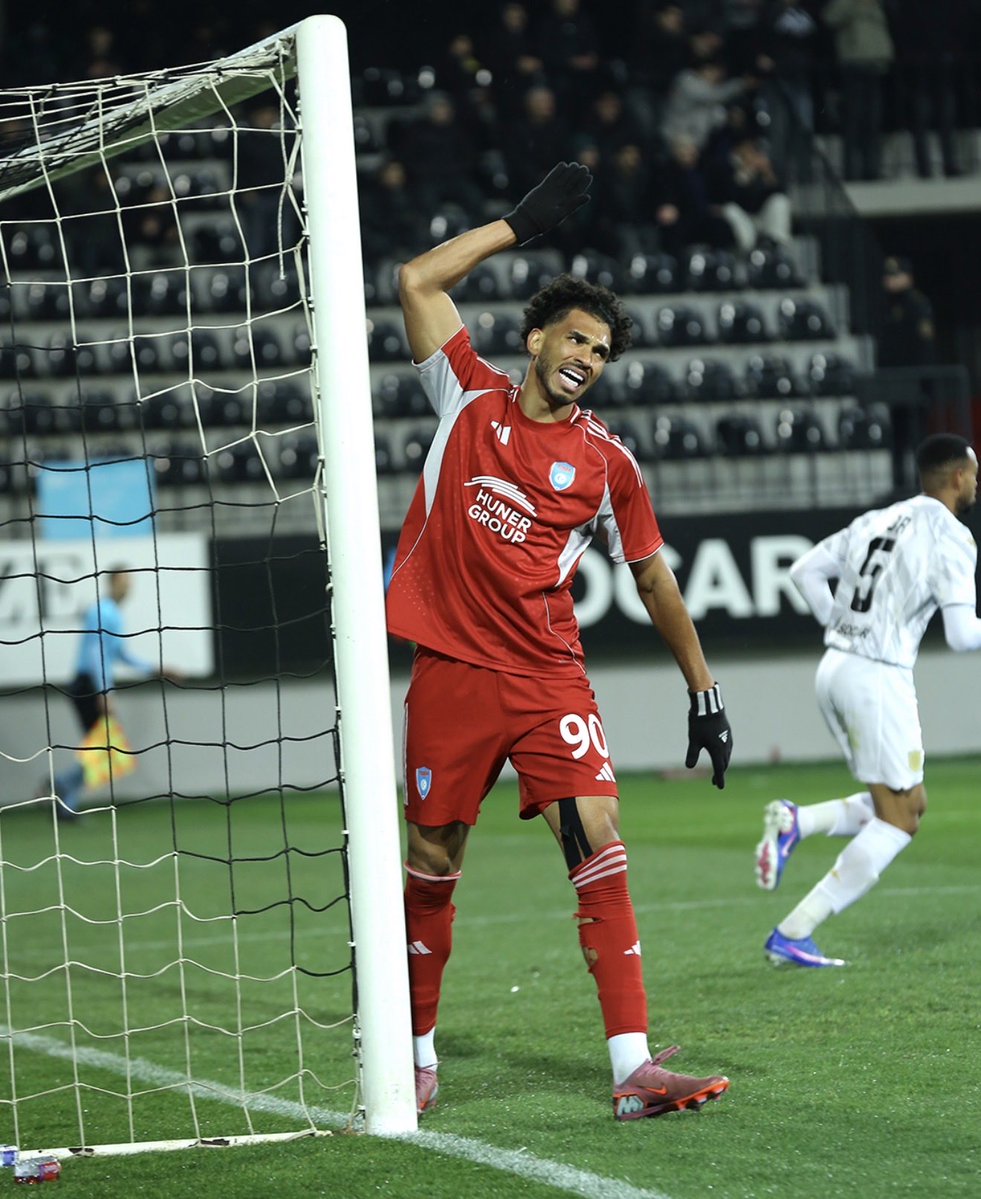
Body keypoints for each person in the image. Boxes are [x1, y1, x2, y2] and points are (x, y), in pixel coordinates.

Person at [386, 162, 735, 1121]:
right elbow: (418, 281)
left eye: (603, 350)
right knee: (432, 859)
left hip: (547, 677)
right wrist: (511, 224)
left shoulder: (606, 463)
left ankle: (631, 1067)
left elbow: (654, 577)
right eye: (576, 338)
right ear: (535, 337)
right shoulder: (464, 396)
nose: (588, 356)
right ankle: (414, 1053)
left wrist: (702, 690)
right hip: (452, 670)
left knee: (598, 837)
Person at [755, 433, 981, 967]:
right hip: (877, 679)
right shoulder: (951, 535)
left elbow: (804, 571)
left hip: (835, 669)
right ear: (956, 478)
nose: (976, 482)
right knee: (899, 820)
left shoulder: (877, 519)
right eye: (974, 473)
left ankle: (797, 824)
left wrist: (842, 630)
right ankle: (794, 930)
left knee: (909, 804)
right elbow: (962, 634)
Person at [50, 569, 177, 819]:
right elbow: (95, 653)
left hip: (90, 685)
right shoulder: (103, 612)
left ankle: (66, 799)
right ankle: (64, 787)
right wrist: (104, 692)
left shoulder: (112, 614)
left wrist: (155, 669)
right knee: (103, 746)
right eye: (123, 582)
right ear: (112, 582)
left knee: (101, 747)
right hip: (88, 686)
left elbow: (119, 654)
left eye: (130, 583)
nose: (127, 587)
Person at [877, 255, 937, 492]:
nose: (891, 281)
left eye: (896, 275)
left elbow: (924, 347)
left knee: (917, 437)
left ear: (908, 278)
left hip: (914, 383)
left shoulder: (917, 304)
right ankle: (899, 484)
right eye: (888, 276)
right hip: (895, 384)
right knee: (897, 437)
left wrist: (925, 384)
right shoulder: (885, 306)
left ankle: (920, 485)